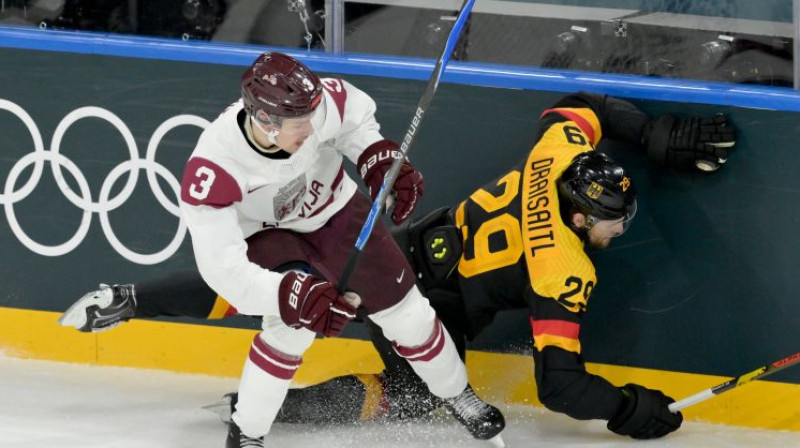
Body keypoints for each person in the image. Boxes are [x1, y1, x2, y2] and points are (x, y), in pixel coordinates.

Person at [60, 91, 736, 440]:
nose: (622, 228)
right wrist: (632, 411)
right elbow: (561, 388)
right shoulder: (563, 268)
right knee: (418, 392)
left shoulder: (555, 157)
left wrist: (648, 131)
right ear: (583, 219)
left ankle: (130, 298)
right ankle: (277, 411)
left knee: (272, 292)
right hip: (422, 301)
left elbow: (580, 110)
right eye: (616, 221)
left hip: (406, 247)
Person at [59, 51, 506, 448]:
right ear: (267, 123)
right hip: (270, 236)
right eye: (300, 125)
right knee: (290, 329)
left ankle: (457, 394)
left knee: (409, 315)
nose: (312, 128)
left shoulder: (312, 104)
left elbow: (355, 125)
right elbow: (222, 270)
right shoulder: (215, 167)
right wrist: (289, 295)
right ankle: (248, 432)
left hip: (335, 211)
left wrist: (377, 158)